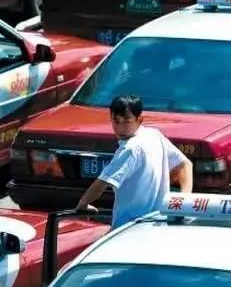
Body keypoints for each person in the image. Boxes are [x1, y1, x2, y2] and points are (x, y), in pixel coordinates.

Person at [76, 95, 193, 229]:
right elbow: (185, 164)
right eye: (116, 121)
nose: (120, 128)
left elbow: (103, 181)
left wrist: (83, 204)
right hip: (159, 225)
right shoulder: (154, 135)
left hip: (130, 228)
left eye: (126, 122)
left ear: (139, 120)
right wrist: (184, 199)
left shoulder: (130, 148)